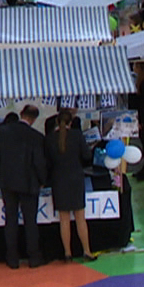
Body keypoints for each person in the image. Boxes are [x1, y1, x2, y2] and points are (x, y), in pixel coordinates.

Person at [0, 104, 48, 269]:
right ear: (34, 119)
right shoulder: (36, 137)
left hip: (7, 183)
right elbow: (39, 163)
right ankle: (34, 257)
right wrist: (43, 180)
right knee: (31, 222)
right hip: (29, 184)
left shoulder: (2, 132)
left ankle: (12, 258)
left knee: (11, 220)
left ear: (21, 114)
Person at [48, 106, 93, 261]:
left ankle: (67, 253)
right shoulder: (77, 135)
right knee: (80, 218)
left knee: (64, 219)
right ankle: (87, 251)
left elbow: (47, 162)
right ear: (71, 121)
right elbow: (86, 156)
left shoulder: (50, 138)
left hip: (58, 180)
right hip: (76, 179)